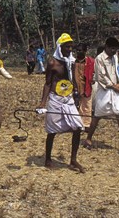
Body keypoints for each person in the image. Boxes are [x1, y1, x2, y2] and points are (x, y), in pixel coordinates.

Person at [37, 33, 85, 172]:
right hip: (55, 99)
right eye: (67, 47)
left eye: (71, 47)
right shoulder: (53, 63)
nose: (70, 49)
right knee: (52, 131)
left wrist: (76, 94)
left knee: (78, 127)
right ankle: (48, 159)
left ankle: (73, 160)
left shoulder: (72, 62)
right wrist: (42, 103)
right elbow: (47, 83)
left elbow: (73, 80)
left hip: (68, 98)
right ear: (60, 47)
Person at [83, 37, 119, 151]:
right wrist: (115, 87)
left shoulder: (115, 57)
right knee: (97, 116)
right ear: (107, 47)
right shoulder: (99, 59)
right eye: (112, 49)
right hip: (104, 92)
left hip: (116, 92)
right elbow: (101, 77)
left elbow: (116, 72)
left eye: (116, 49)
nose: (114, 51)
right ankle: (88, 138)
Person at [74, 43, 95, 129]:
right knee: (76, 107)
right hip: (76, 87)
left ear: (85, 51)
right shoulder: (73, 62)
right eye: (77, 50)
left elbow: (93, 74)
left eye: (81, 50)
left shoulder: (90, 62)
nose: (79, 52)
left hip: (86, 87)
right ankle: (78, 124)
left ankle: (86, 125)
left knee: (87, 107)